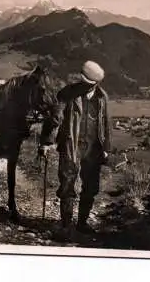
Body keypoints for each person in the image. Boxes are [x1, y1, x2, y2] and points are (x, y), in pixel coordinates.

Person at [39, 60, 111, 236]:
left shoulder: (102, 97)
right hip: (71, 145)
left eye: (90, 84)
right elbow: (55, 118)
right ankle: (66, 225)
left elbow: (105, 123)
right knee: (67, 184)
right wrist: (47, 142)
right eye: (84, 82)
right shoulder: (67, 93)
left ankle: (82, 223)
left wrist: (106, 147)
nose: (86, 86)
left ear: (97, 83)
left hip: (93, 148)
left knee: (91, 187)